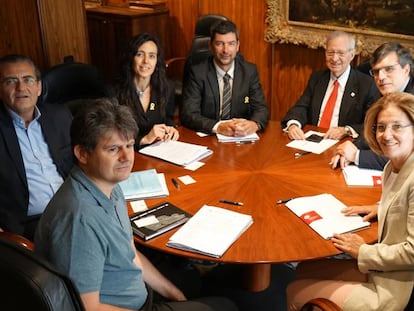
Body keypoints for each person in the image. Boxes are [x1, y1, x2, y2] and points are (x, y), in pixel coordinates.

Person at [34, 98, 238, 311]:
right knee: (227, 306)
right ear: (82, 154)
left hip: (135, 291)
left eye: (130, 145)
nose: (126, 157)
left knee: (195, 283)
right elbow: (87, 307)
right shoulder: (79, 220)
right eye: (113, 149)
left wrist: (173, 293)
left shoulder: (109, 184)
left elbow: (129, 253)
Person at [286, 92, 414, 310]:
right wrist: (381, 208)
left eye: (397, 126)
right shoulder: (391, 167)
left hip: (399, 287)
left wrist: (363, 251)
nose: (386, 134)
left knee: (295, 291)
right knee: (303, 270)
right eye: (381, 127)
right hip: (384, 267)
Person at [0, 54, 73, 240]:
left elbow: (83, 161)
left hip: (74, 207)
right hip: (28, 225)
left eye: (28, 79)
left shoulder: (60, 117)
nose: (21, 88)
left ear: (39, 87)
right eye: (11, 81)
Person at [330, 42, 414, 170]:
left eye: (389, 69)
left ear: (406, 69)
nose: (380, 77)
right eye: (376, 71)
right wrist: (349, 150)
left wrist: (357, 155)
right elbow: (369, 130)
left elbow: (405, 156)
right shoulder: (386, 93)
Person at [282, 30, 378, 140]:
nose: (334, 58)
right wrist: (293, 125)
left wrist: (346, 130)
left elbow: (371, 124)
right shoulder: (317, 78)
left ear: (351, 55)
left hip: (344, 144)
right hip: (312, 140)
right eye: (330, 53)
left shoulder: (366, 84)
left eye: (341, 53)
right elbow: (301, 107)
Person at [180, 19, 269, 136]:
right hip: (209, 138)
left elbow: (261, 109)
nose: (225, 50)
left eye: (231, 44)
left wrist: (254, 124)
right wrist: (218, 127)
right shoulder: (198, 72)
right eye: (219, 44)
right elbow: (189, 114)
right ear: (211, 45)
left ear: (238, 46)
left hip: (239, 139)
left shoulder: (249, 71)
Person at [116, 33, 179, 150]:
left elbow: (167, 118)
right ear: (131, 58)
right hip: (127, 154)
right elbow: (110, 136)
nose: (146, 61)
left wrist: (171, 128)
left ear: (157, 61)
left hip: (158, 151)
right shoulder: (115, 91)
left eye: (152, 56)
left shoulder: (166, 87)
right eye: (140, 54)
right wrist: (144, 139)